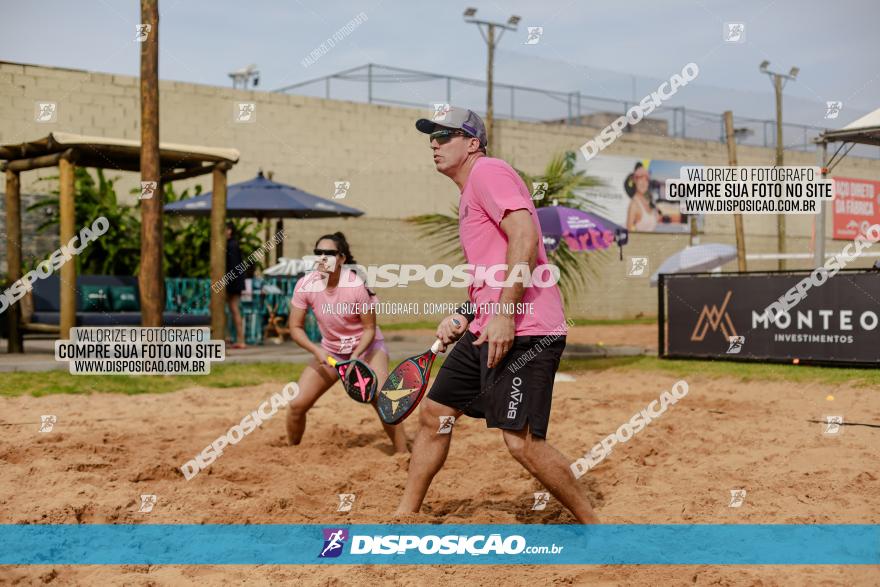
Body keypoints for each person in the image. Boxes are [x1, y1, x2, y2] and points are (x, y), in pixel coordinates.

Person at [396, 107, 599, 523]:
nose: (434, 143)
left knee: (521, 443)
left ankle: (594, 525)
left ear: (472, 143)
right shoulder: (470, 192)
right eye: (431, 137)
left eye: (444, 135)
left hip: (525, 328)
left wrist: (504, 312)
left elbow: (525, 236)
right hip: (489, 327)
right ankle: (404, 514)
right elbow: (492, 270)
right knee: (436, 415)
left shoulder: (489, 172)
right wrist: (465, 315)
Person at [285, 232, 408, 454]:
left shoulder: (354, 285)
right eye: (318, 253)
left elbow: (370, 329)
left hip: (367, 349)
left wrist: (356, 357)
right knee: (296, 405)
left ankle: (403, 455)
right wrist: (317, 350)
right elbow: (295, 327)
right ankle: (292, 454)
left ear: (341, 258)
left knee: (383, 400)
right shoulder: (306, 285)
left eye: (329, 253)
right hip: (332, 354)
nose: (322, 257)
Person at [225, 222, 247, 349]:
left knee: (234, 310)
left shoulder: (231, 245)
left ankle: (239, 339)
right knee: (232, 310)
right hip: (233, 282)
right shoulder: (233, 244)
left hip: (232, 282)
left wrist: (227, 284)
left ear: (229, 231)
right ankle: (229, 337)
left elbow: (233, 267)